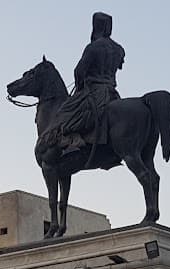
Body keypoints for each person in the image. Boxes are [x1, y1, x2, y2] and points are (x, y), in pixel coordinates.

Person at [38, 12, 126, 162]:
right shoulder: (119, 49)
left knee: (64, 114)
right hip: (112, 93)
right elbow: (118, 66)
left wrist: (80, 85)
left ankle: (72, 144)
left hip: (94, 92)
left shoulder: (93, 47)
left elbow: (79, 71)